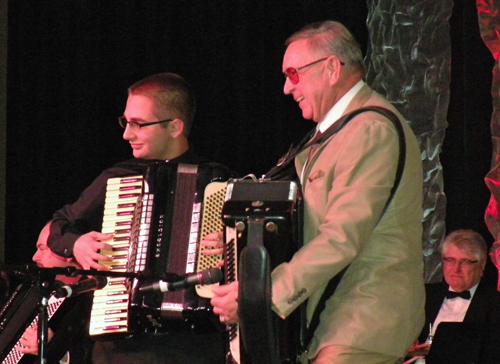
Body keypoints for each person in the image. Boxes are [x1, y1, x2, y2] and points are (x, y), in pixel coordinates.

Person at [208, 20, 425, 364]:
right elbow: (307, 229)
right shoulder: (333, 135)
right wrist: (238, 246)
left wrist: (260, 295)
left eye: (293, 74)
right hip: (336, 323)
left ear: (330, 68)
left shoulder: (370, 131)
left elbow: (341, 237)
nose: (286, 88)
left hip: (361, 321)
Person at [45, 73, 226, 364]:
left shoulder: (216, 181)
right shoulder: (119, 177)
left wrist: (229, 248)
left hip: (191, 347)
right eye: (126, 122)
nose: (126, 134)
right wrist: (77, 245)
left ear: (174, 127)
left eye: (138, 124)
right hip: (121, 346)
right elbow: (59, 224)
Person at [408, 229, 500, 363]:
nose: (456, 269)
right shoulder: (424, 295)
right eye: (450, 260)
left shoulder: (495, 304)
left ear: (482, 265)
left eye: (465, 262)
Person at [12, 223, 94, 364]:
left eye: (42, 249)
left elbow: (99, 355)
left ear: (68, 252)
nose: (35, 257)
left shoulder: (94, 295)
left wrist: (52, 347)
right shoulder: (39, 294)